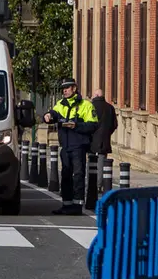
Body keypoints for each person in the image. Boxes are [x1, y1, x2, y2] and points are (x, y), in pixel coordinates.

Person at [43, 78, 99, 215]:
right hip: (65, 145)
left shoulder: (86, 105)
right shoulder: (61, 104)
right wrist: (48, 115)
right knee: (66, 175)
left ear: (74, 88)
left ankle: (77, 205)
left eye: (67, 88)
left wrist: (77, 126)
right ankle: (66, 204)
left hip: (78, 145)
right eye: (63, 88)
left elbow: (93, 125)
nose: (64, 91)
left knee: (78, 175)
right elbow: (54, 113)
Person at [90, 89, 118, 192]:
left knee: (91, 161)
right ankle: (99, 184)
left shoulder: (91, 107)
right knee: (102, 161)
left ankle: (92, 183)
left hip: (92, 138)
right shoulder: (110, 107)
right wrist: (107, 132)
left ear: (96, 95)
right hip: (105, 139)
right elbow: (115, 125)